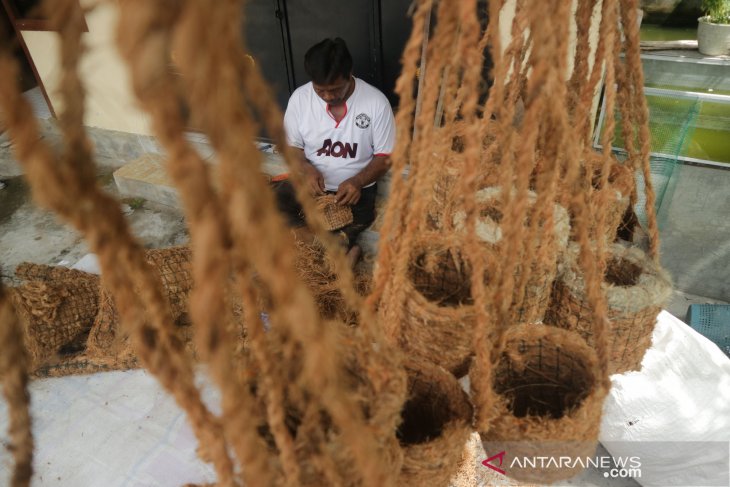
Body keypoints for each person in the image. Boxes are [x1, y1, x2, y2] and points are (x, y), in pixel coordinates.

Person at [275, 37, 395, 265]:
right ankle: (333, 250)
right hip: (309, 186)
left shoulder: (376, 103)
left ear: (350, 73)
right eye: (321, 90)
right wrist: (306, 168)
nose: (329, 96)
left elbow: (385, 157)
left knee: (332, 238)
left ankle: (329, 246)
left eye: (335, 89)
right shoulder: (300, 99)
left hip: (351, 196)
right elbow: (292, 147)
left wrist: (358, 181)